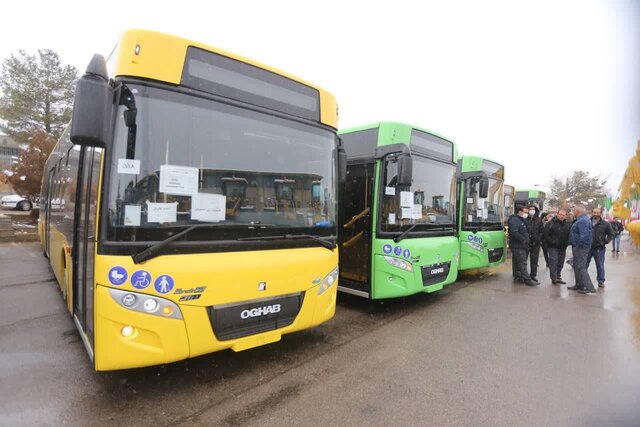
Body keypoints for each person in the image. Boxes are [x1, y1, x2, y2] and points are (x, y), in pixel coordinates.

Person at [567, 204, 597, 295]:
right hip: (579, 247)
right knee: (577, 266)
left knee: (581, 267)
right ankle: (579, 284)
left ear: (577, 212)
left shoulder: (582, 221)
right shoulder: (581, 219)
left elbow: (584, 236)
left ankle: (588, 287)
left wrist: (578, 246)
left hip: (581, 248)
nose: (572, 212)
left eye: (573, 211)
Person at [508, 205, 536, 286]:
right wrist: (523, 240)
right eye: (525, 212)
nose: (526, 214)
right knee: (522, 263)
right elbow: (514, 232)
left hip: (520, 245)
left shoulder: (520, 219)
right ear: (520, 211)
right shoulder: (515, 220)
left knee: (516, 263)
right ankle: (527, 280)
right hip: (518, 246)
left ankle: (518, 277)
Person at [587, 208, 613, 288]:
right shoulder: (587, 222)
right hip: (588, 247)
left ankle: (601, 281)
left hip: (599, 248)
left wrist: (605, 241)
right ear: (592, 213)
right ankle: (583, 280)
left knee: (600, 265)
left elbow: (611, 234)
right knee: (584, 265)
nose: (596, 214)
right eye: (594, 212)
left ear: (600, 214)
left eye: (598, 213)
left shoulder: (605, 224)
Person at [543, 209, 570, 284]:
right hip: (553, 247)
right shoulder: (550, 223)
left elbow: (569, 235)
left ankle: (558, 276)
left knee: (560, 262)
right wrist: (552, 242)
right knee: (554, 262)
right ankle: (554, 278)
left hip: (563, 247)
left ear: (565, 216)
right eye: (560, 214)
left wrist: (567, 242)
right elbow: (546, 235)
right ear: (557, 214)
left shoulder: (567, 224)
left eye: (563, 215)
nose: (561, 216)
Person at [525, 204, 543, 283]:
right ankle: (523, 274)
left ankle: (533, 275)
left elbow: (541, 231)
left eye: (533, 209)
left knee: (534, 260)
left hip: (536, 243)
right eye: (530, 209)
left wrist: (538, 239)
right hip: (526, 243)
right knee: (524, 260)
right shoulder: (525, 219)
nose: (532, 210)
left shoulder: (539, 220)